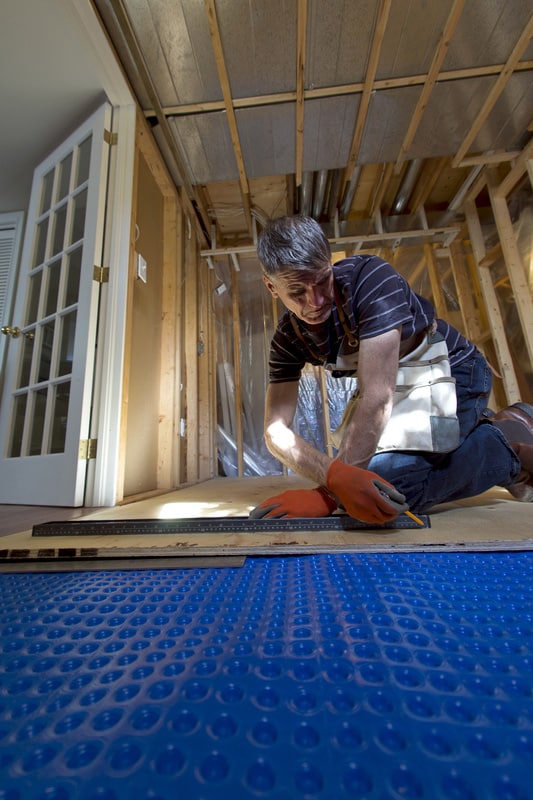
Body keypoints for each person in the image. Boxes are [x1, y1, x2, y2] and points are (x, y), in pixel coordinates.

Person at [250, 214, 533, 523]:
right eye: (297, 292)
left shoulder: (369, 281)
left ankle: (509, 444)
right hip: (400, 386)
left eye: (321, 282)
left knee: (389, 490)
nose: (315, 300)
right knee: (371, 483)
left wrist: (329, 495)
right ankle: (475, 429)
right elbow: (274, 429)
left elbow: (377, 396)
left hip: (454, 372)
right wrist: (335, 476)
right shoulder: (287, 339)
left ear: (329, 264)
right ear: (271, 286)